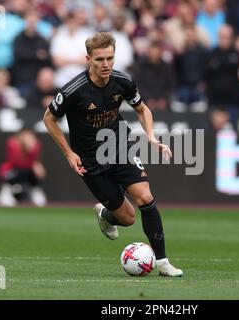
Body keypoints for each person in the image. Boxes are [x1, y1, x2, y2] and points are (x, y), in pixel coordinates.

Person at [43, 32, 183, 277]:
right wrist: (68, 153)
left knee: (145, 197)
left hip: (118, 146)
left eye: (110, 58)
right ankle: (105, 214)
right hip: (89, 159)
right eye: (99, 59)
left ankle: (162, 262)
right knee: (127, 218)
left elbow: (142, 108)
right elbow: (49, 119)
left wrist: (150, 136)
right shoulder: (73, 90)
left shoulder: (123, 81)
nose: (106, 64)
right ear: (88, 59)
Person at [0, 129, 47, 207]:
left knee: (34, 172)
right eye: (26, 136)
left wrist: (37, 165)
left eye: (30, 137)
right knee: (19, 172)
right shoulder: (12, 143)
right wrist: (27, 150)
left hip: (26, 171)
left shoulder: (36, 145)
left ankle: (36, 192)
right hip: (11, 171)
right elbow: (17, 162)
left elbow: (33, 161)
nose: (28, 139)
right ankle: (6, 193)